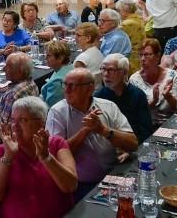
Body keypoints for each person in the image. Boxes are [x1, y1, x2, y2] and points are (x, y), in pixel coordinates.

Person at [45, 69, 137, 197]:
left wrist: (103, 130)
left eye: (73, 86)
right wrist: (85, 131)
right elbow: (55, 157)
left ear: (90, 88)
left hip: (112, 176)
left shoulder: (108, 107)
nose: (66, 90)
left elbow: (133, 144)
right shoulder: (57, 112)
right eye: (65, 85)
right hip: (79, 185)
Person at [95, 53, 154, 142]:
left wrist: (129, 149)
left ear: (124, 72)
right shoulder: (98, 96)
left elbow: (146, 131)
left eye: (111, 70)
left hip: (134, 144)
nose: (106, 74)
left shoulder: (137, 95)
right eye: (103, 69)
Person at [128, 37, 177, 120]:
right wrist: (154, 101)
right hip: (148, 125)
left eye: (147, 55)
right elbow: (136, 111)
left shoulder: (173, 75)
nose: (142, 59)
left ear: (158, 56)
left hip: (171, 122)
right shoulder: (134, 80)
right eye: (140, 55)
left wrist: (168, 96)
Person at [0, 52, 39, 128]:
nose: (3, 69)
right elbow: (7, 104)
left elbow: (2, 126)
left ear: (20, 72)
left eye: (8, 66)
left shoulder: (12, 94)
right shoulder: (32, 84)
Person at [39, 39, 74, 107]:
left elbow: (50, 107)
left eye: (48, 56)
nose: (45, 58)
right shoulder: (70, 67)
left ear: (60, 58)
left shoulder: (58, 82)